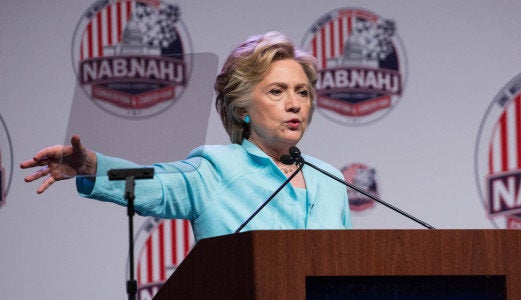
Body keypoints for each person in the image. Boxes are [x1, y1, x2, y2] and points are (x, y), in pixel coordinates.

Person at [20, 31, 352, 241]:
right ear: (241, 109)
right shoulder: (215, 169)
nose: (294, 104)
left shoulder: (332, 180)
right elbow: (154, 183)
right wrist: (93, 166)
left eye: (303, 93)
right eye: (277, 92)